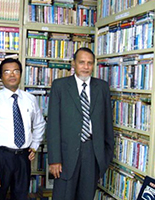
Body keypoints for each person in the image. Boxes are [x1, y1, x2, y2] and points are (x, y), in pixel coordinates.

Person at [47, 47, 114, 200]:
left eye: (89, 63)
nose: (85, 67)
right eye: (82, 62)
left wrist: (105, 157)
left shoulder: (102, 87)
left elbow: (107, 124)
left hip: (92, 152)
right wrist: (54, 159)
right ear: (73, 64)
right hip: (65, 155)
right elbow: (53, 126)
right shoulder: (60, 86)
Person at [0, 58, 46, 200]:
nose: (12, 75)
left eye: (16, 71)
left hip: (23, 158)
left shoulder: (30, 99)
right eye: (7, 72)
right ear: (1, 76)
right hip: (1, 157)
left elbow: (40, 124)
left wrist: (34, 146)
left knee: (21, 196)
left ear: (21, 74)